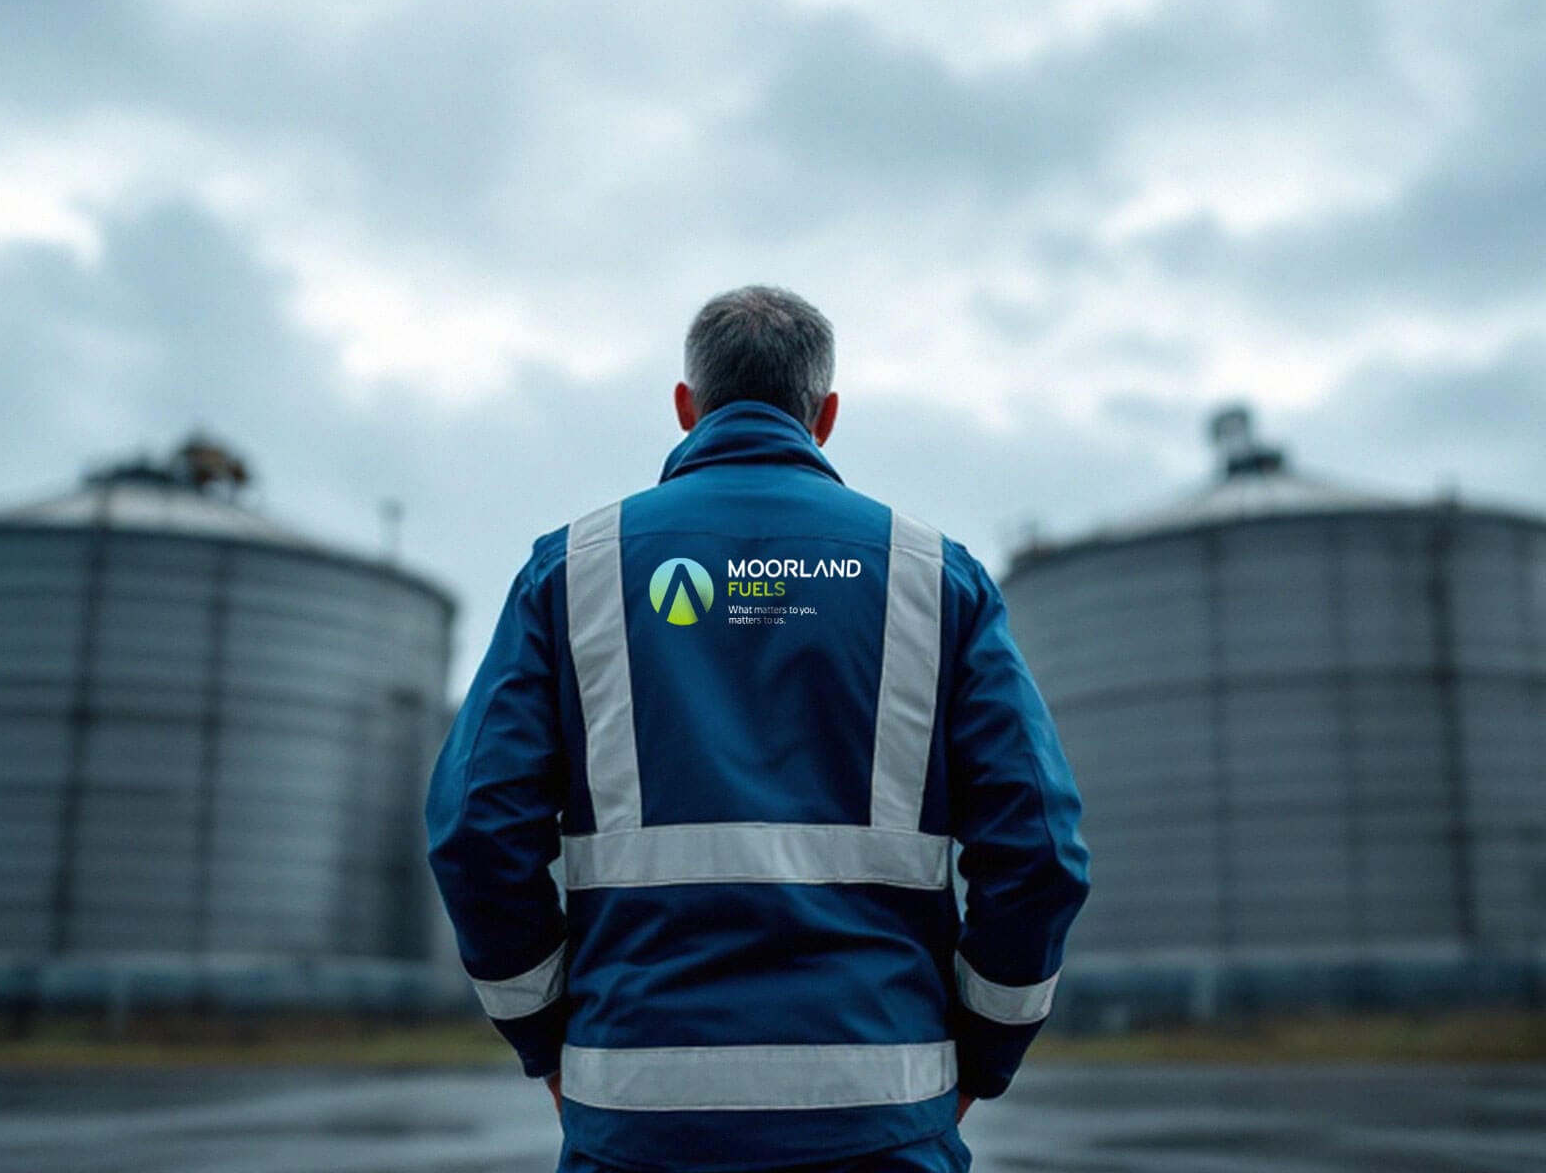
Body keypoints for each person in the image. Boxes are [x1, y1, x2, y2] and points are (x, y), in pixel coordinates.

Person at [425, 285, 1091, 1172]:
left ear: (685, 406)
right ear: (826, 416)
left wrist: (546, 1038)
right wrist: (982, 1056)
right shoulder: (938, 578)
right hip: (881, 1119)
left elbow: (476, 832)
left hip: (638, 1122)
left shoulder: (570, 573)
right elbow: (1039, 850)